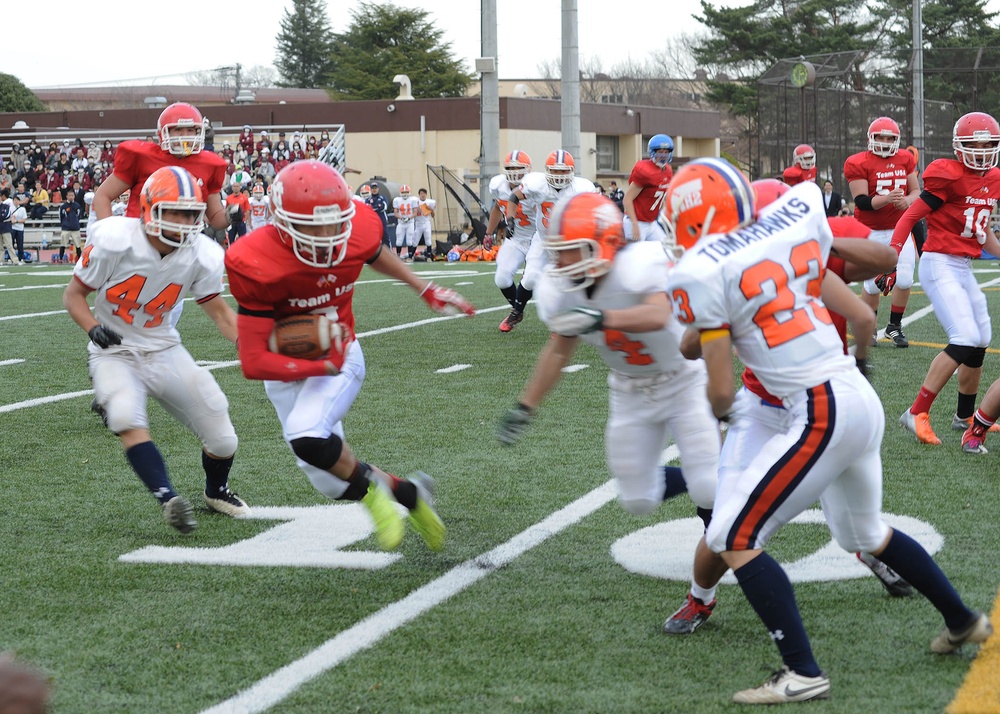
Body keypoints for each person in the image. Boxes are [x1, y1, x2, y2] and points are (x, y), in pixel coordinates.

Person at [663, 157, 992, 704]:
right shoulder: (786, 241)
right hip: (858, 397)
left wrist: (713, 404)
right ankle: (961, 620)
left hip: (818, 407)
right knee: (863, 534)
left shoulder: (707, 272)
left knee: (733, 534)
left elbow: (721, 391)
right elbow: (867, 274)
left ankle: (801, 670)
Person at [497, 191, 726, 635]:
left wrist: (601, 318)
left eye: (571, 252)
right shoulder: (560, 290)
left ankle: (703, 594)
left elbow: (660, 313)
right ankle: (721, 474)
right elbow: (558, 348)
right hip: (629, 390)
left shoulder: (639, 263)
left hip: (682, 380)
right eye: (558, 254)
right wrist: (526, 405)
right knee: (635, 499)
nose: (561, 264)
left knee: (710, 489)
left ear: (603, 243)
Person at [224, 160, 475, 551]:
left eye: (334, 223)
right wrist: (316, 362)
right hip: (288, 364)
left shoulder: (356, 225)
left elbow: (374, 251)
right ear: (280, 221)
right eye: (312, 226)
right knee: (329, 480)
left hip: (343, 355)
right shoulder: (253, 260)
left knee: (306, 436)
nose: (326, 235)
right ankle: (408, 494)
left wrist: (422, 286)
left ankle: (376, 500)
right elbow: (255, 361)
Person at [62, 166, 249, 533]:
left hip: (163, 346)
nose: (182, 222)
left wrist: (249, 344)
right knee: (124, 416)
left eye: (189, 213)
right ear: (148, 209)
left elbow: (220, 313)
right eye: (173, 212)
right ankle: (168, 498)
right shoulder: (117, 240)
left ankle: (216, 491)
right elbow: (73, 296)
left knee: (223, 435)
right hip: (114, 349)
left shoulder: (202, 253)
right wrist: (93, 327)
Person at [889, 111, 1000, 445]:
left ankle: (964, 415)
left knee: (981, 337)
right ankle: (916, 411)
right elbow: (910, 215)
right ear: (958, 147)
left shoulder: (993, 178)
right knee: (964, 336)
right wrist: (892, 258)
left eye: (987, 144)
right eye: (973, 144)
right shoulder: (948, 176)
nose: (981, 151)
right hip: (939, 263)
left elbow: (982, 234)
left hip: (963, 265)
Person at [844, 116, 920, 348]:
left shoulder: (905, 158)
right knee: (871, 284)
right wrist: (887, 199)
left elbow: (916, 191)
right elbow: (861, 202)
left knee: (905, 279)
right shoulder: (857, 162)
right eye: (881, 137)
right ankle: (870, 327)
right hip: (871, 230)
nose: (886, 142)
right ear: (871, 138)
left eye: (890, 138)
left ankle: (894, 327)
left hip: (900, 227)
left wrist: (906, 200)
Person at [500, 150, 595, 333]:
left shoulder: (582, 188)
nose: (559, 176)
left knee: (570, 282)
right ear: (547, 171)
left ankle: (566, 322)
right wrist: (510, 220)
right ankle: (517, 311)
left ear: (572, 172)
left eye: (563, 171)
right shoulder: (537, 184)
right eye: (555, 171)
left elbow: (597, 208)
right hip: (543, 240)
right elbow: (514, 197)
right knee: (529, 279)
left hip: (570, 244)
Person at [94, 102, 228, 232]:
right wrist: (109, 235)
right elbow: (102, 196)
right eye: (178, 129)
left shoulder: (209, 165)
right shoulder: (142, 157)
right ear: (163, 133)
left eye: (190, 130)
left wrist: (230, 216)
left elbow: (215, 217)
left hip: (184, 242)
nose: (185, 136)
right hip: (140, 239)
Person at [483, 151, 539, 324]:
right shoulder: (498, 185)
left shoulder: (535, 186)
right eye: (510, 167)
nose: (514, 171)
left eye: (518, 168)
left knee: (532, 279)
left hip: (539, 238)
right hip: (515, 238)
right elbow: (498, 208)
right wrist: (488, 232)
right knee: (501, 278)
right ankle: (518, 310)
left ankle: (556, 322)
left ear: (528, 170)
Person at [622, 134, 673, 242]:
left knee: (665, 250)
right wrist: (634, 224)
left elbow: (661, 197)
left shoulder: (668, 171)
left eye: (666, 152)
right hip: (635, 221)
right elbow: (627, 199)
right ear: (652, 152)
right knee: (636, 256)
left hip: (651, 223)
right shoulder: (645, 171)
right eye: (660, 152)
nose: (663, 156)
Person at [392, 184, 420, 260]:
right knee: (398, 241)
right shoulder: (397, 200)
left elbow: (415, 212)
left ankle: (410, 257)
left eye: (406, 192)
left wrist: (409, 218)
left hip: (410, 222)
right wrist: (401, 218)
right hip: (401, 223)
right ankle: (398, 257)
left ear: (409, 192)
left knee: (409, 241)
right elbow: (395, 213)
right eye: (403, 192)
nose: (405, 194)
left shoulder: (413, 200)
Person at [58, 189, 82, 263]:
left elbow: (79, 216)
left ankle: (80, 260)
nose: (71, 197)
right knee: (63, 244)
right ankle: (60, 259)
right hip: (66, 228)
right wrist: (64, 224)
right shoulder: (63, 207)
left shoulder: (77, 206)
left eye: (72, 195)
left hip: (75, 228)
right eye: (69, 195)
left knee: (78, 245)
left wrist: (75, 223)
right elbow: (61, 217)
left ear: (74, 196)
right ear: (66, 196)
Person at [365, 182, 391, 247]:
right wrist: (377, 207)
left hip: (382, 220)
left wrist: (373, 208)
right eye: (373, 188)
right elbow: (367, 208)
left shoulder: (383, 198)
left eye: (375, 188)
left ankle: (389, 253)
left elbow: (383, 207)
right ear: (370, 189)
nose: (374, 190)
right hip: (372, 221)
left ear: (378, 189)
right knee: (372, 238)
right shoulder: (368, 199)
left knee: (385, 238)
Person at [414, 188, 436, 259]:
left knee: (428, 240)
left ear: (426, 194)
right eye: (421, 193)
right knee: (415, 241)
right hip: (418, 223)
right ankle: (411, 256)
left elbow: (433, 216)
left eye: (424, 193)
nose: (422, 195)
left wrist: (431, 209)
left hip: (426, 223)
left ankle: (429, 256)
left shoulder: (429, 202)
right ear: (419, 194)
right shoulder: (415, 202)